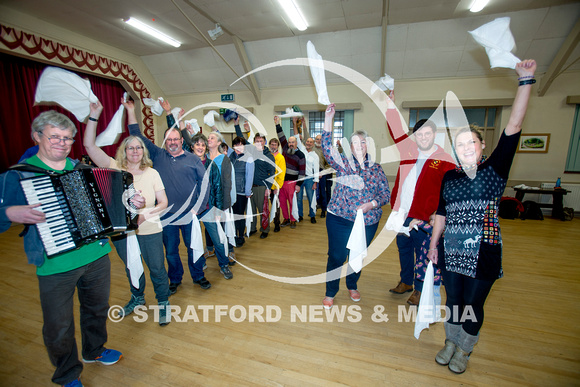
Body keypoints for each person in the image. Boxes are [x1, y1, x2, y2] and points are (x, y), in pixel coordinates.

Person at [427, 60, 537, 374]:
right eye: (460, 145)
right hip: (450, 251)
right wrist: (434, 245)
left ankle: (464, 349)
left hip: (483, 252)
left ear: (482, 145)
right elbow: (441, 212)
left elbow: (513, 127)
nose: (465, 148)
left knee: (474, 305)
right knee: (454, 302)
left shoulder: (494, 170)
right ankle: (450, 341)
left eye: (471, 143)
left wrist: (525, 81)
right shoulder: (450, 177)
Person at [0, 110, 122, 386]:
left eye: (67, 138)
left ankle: (95, 350)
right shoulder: (19, 175)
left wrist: (131, 202)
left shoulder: (82, 170)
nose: (62, 143)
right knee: (58, 326)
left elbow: (112, 204)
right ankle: (67, 373)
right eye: (55, 136)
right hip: (55, 265)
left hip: (97, 256)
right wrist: (9, 213)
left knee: (97, 310)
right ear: (37, 136)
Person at [83, 100, 171, 324]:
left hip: (149, 227)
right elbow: (90, 147)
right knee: (132, 265)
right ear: (124, 151)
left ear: (143, 151)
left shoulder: (152, 173)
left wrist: (143, 215)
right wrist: (94, 116)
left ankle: (163, 301)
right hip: (122, 230)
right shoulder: (114, 167)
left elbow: (163, 203)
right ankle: (137, 298)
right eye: (130, 147)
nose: (135, 150)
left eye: (138, 147)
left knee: (157, 267)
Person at [126, 101, 208, 295]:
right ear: (165, 142)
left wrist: (199, 207)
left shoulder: (193, 159)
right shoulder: (158, 155)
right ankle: (175, 279)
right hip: (166, 215)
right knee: (171, 252)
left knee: (193, 247)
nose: (172, 142)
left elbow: (205, 185)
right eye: (169, 140)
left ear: (181, 141)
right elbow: (137, 135)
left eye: (176, 139)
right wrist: (130, 111)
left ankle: (198, 276)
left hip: (189, 214)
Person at [385, 101, 455, 305]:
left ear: (434, 135)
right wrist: (390, 105)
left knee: (422, 253)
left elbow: (449, 192)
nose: (423, 138)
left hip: (424, 217)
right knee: (403, 248)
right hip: (403, 213)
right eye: (419, 134)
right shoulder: (408, 150)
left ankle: (419, 288)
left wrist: (439, 215)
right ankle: (405, 281)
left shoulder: (445, 160)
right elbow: (396, 130)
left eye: (427, 134)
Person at [321, 104, 391, 309]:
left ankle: (352, 284)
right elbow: (326, 148)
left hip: (367, 221)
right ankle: (330, 291)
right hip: (339, 219)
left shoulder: (376, 169)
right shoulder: (342, 162)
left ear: (368, 145)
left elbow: (385, 194)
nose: (359, 145)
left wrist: (372, 204)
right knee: (337, 256)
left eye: (363, 142)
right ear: (349, 147)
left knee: (357, 256)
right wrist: (329, 119)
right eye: (354, 142)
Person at [199, 131, 235, 279]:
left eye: (212, 138)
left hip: (216, 202)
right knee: (195, 236)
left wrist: (223, 206)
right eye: (208, 138)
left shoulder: (224, 159)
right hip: (199, 204)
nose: (208, 140)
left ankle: (225, 261)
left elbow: (226, 184)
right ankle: (201, 259)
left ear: (219, 142)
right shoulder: (202, 157)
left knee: (219, 234)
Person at [274, 115, 305, 229]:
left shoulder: (301, 155)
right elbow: (281, 136)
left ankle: (293, 219)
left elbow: (302, 171)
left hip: (292, 183)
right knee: (282, 202)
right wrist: (277, 124)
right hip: (281, 182)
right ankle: (286, 218)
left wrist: (298, 185)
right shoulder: (286, 149)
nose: (291, 144)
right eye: (290, 142)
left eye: (293, 142)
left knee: (293, 203)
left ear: (296, 143)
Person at [229, 136, 255, 246]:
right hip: (231, 191)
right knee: (232, 215)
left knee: (239, 215)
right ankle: (233, 234)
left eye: (241, 145)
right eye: (236, 145)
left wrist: (248, 192)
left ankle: (240, 237)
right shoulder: (231, 156)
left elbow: (250, 176)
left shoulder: (249, 158)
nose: (238, 147)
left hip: (241, 192)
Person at [293, 118, 319, 223]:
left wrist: (315, 183)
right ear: (305, 142)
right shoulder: (302, 149)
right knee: (299, 198)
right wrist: (294, 123)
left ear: (313, 144)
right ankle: (300, 215)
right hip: (300, 178)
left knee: (310, 197)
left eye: (310, 142)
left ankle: (312, 215)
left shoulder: (315, 155)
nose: (308, 143)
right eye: (307, 141)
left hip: (309, 179)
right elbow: (296, 136)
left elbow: (316, 170)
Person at [268, 137, 286, 232]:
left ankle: (276, 224)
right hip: (267, 186)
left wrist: (277, 187)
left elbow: (281, 174)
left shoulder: (280, 158)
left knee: (275, 206)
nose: (273, 146)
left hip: (275, 187)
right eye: (272, 144)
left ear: (278, 146)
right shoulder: (267, 155)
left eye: (275, 144)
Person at [313, 133, 332, 218]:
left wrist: (322, 172)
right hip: (313, 172)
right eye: (317, 139)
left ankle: (324, 210)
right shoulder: (312, 148)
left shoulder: (325, 150)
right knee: (313, 193)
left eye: (320, 139)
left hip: (322, 172)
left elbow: (329, 164)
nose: (318, 141)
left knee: (322, 192)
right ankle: (313, 210)